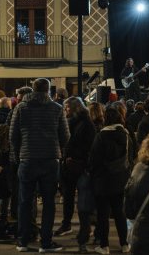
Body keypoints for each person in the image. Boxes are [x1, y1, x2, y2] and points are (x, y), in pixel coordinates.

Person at [10, 78, 70, 253]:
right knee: (49, 202)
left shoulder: (21, 108)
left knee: (24, 202)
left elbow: (13, 135)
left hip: (27, 159)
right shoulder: (57, 109)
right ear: (49, 90)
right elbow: (65, 137)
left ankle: (22, 241)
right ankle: (46, 242)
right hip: (50, 160)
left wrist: (18, 155)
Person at [89, 105, 133, 254]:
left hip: (102, 180)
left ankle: (104, 245)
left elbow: (94, 160)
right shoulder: (126, 136)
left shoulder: (100, 136)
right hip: (120, 179)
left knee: (103, 214)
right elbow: (131, 157)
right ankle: (124, 243)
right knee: (120, 212)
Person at [55, 97, 97, 252]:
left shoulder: (86, 124)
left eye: (67, 108)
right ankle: (67, 224)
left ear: (74, 108)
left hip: (80, 166)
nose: (65, 111)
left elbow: (88, 146)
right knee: (68, 196)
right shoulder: (70, 122)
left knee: (83, 201)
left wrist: (75, 157)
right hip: (69, 165)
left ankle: (85, 231)